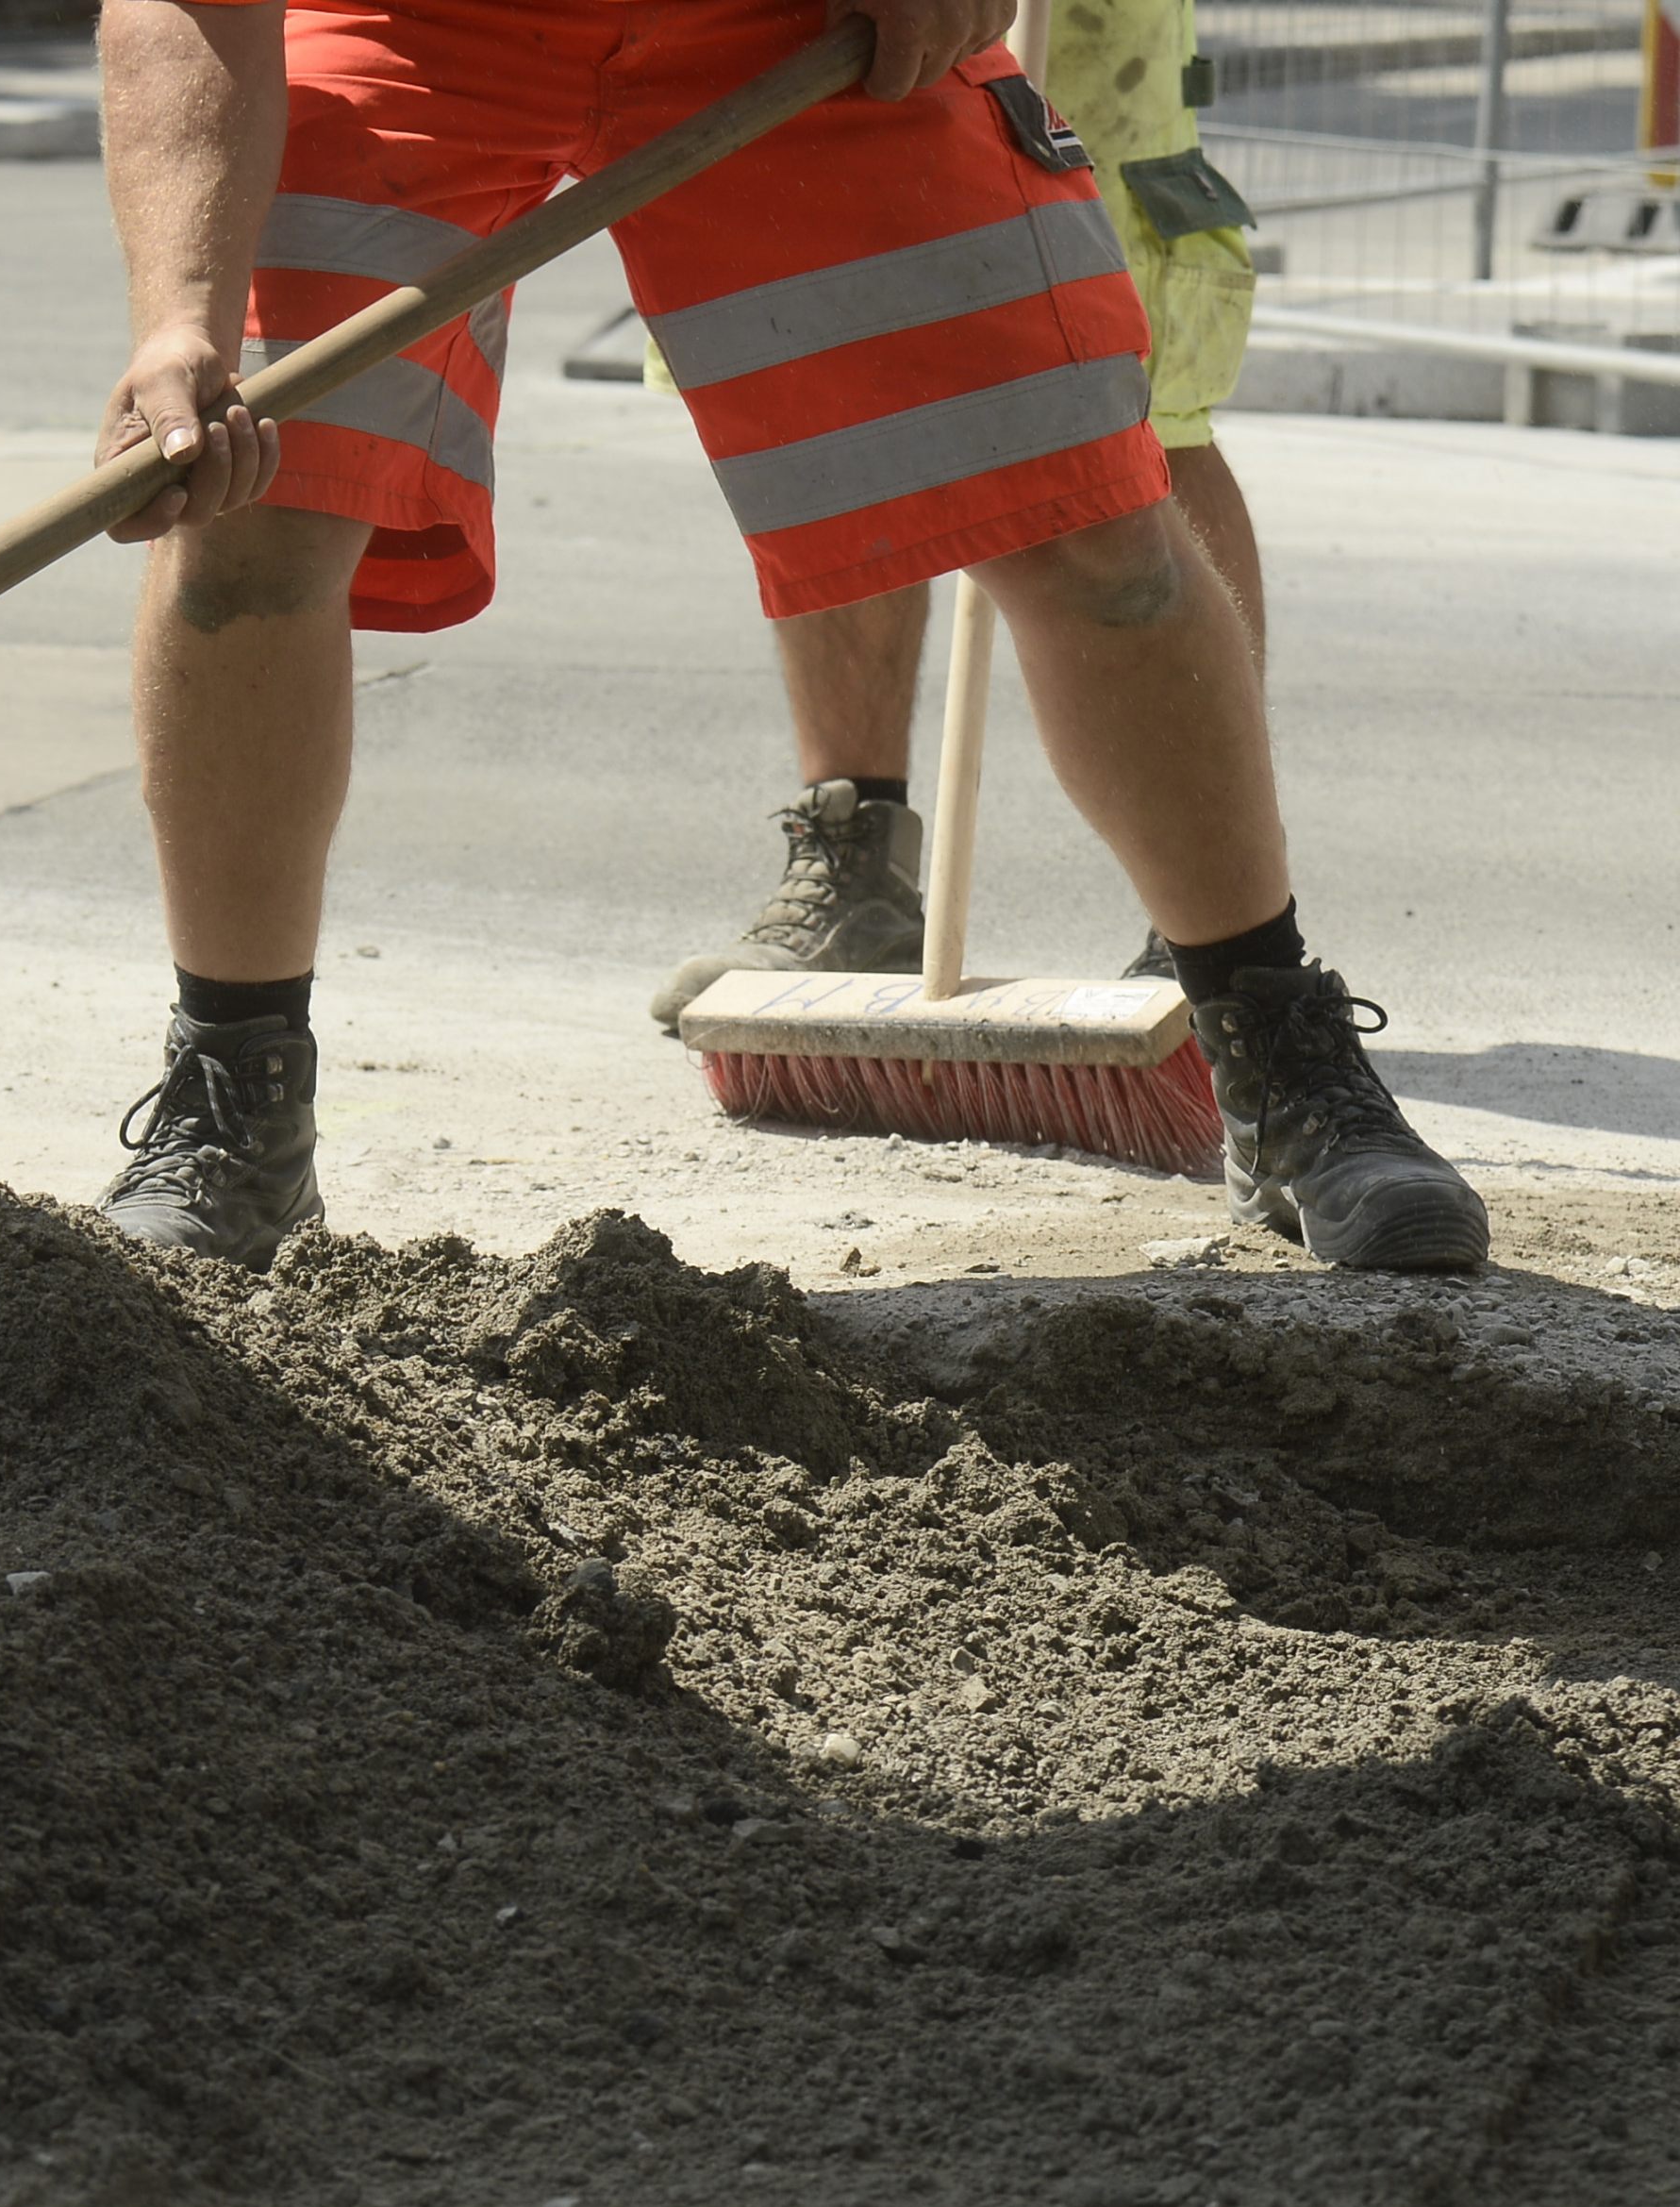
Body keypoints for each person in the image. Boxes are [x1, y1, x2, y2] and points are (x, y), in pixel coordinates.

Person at [88, 0, 1489, 1275]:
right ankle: (237, 1104)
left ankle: (1278, 1054)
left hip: (786, 18)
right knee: (242, 509)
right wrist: (182, 320)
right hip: (410, 27)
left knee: (1090, 522)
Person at [649, 0, 1261, 1014]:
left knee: (1132, 398)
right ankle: (855, 866)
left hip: (1078, 33)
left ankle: (1212, 924)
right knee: (811, 379)